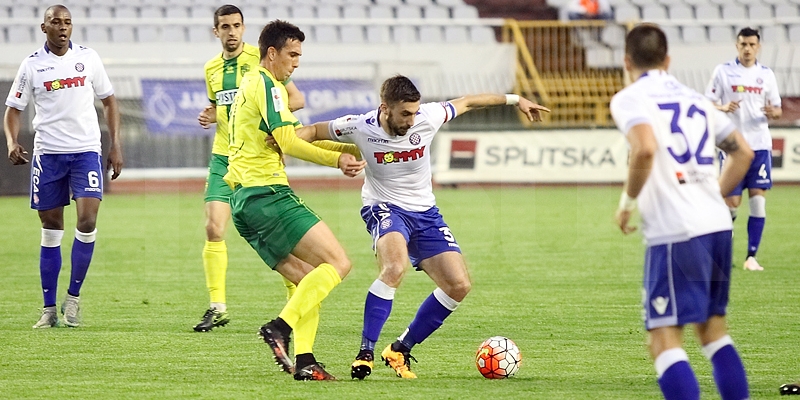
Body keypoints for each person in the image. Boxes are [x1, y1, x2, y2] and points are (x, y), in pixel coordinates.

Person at [294, 75, 549, 379]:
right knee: (394, 268)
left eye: (414, 112)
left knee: (458, 285)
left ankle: (400, 348)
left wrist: (514, 99)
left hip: (426, 213)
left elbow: (468, 101)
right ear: (384, 108)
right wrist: (283, 139)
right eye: (405, 114)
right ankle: (366, 351)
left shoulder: (427, 117)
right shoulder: (359, 126)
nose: (412, 120)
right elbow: (311, 131)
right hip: (384, 207)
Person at [611, 24, 753, 400]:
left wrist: (626, 203)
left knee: (663, 340)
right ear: (668, 59)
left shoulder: (629, 98)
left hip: (677, 232)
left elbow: (644, 148)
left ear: (627, 62)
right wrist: (709, 196)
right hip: (717, 227)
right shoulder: (697, 99)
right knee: (713, 332)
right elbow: (743, 154)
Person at [223, 20, 365, 381]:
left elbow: (291, 137)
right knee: (338, 263)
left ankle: (305, 362)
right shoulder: (268, 85)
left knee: (307, 282)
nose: (296, 63)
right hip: (267, 194)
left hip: (243, 203)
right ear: (272, 53)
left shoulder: (249, 85)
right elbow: (289, 143)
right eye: (292, 54)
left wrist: (351, 148)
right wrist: (338, 160)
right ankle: (279, 328)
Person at [3, 4, 122, 329]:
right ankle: (49, 308)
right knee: (52, 228)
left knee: (87, 220)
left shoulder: (88, 58)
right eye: (56, 22)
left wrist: (115, 145)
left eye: (67, 22)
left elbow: (110, 100)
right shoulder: (32, 66)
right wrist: (13, 142)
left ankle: (73, 299)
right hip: (49, 155)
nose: (63, 27)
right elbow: (13, 109)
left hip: (85, 151)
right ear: (45, 28)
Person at [193, 4, 307, 333]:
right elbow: (223, 106)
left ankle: (294, 297)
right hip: (222, 157)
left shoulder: (262, 59)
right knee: (214, 228)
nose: (231, 32)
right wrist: (211, 115)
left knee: (276, 235)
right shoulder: (211, 69)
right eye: (225, 26)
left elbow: (296, 99)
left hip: (256, 159)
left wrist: (270, 117)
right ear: (216, 31)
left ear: (243, 28)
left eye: (237, 26)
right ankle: (217, 306)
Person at [705, 27, 781, 271]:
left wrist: (774, 113)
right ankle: (724, 252)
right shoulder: (723, 71)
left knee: (758, 202)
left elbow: (778, 108)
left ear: (758, 47)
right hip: (733, 146)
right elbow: (707, 102)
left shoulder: (767, 75)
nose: (747, 48)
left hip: (760, 145)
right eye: (743, 44)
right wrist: (723, 107)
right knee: (731, 204)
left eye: (751, 44)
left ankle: (751, 257)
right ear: (736, 46)